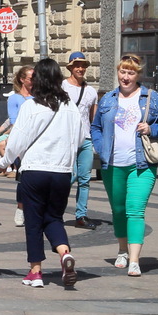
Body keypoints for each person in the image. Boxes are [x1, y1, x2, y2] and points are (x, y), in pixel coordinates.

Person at [0, 59, 82, 287]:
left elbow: (17, 140)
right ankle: (64, 253)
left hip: (35, 170)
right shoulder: (70, 105)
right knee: (54, 217)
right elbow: (80, 138)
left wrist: (4, 162)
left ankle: (35, 271)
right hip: (62, 172)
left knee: (33, 222)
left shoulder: (31, 106)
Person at [89, 53, 158, 276]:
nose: (126, 77)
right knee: (118, 210)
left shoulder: (152, 98)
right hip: (112, 164)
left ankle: (135, 259)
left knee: (135, 210)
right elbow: (96, 127)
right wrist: (99, 146)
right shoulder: (108, 98)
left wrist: (151, 129)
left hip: (142, 164)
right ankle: (122, 250)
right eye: (123, 71)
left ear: (138, 75)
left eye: (131, 72)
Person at [63, 53, 98, 228]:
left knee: (85, 179)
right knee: (70, 175)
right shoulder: (61, 87)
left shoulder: (91, 91)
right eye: (77, 65)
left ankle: (81, 215)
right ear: (70, 67)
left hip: (86, 138)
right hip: (67, 138)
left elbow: (93, 118)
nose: (80, 69)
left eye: (83, 65)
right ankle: (54, 209)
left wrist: (96, 138)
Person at [0, 65, 34, 226]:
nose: (34, 81)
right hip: (20, 140)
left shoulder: (39, 97)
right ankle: (20, 209)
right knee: (22, 179)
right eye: (31, 78)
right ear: (22, 79)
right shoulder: (14, 99)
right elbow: (13, 121)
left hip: (36, 142)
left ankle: (34, 210)